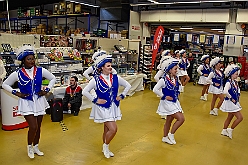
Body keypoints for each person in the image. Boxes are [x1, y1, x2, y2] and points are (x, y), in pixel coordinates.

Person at [2, 45, 56, 159]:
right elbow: (4, 84)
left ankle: (36, 146)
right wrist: (16, 93)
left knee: (39, 126)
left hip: (39, 101)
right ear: (23, 61)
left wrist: (46, 89)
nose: (32, 61)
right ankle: (29, 147)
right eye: (29, 59)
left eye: (33, 58)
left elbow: (53, 78)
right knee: (33, 126)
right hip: (26, 102)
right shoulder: (17, 73)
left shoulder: (41, 71)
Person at [82, 54, 131, 158]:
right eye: (108, 66)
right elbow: (85, 91)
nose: (110, 67)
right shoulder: (95, 79)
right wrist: (95, 100)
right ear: (102, 68)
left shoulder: (116, 77)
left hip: (113, 106)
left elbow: (128, 85)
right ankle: (106, 146)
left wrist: (122, 95)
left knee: (106, 129)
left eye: (110, 65)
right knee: (113, 129)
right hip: (102, 107)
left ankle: (106, 148)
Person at [153, 58, 185, 145]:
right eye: (175, 69)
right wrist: (163, 96)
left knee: (169, 120)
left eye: (177, 68)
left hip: (175, 102)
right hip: (167, 103)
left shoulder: (175, 79)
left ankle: (165, 137)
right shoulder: (163, 79)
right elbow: (155, 89)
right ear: (170, 70)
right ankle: (171, 134)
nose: (177, 70)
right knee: (181, 119)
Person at [220, 64, 243, 139]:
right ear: (231, 74)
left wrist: (238, 94)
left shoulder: (234, 82)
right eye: (236, 74)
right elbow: (225, 92)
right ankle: (230, 129)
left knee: (229, 117)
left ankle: (224, 130)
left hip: (234, 102)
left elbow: (237, 90)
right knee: (240, 118)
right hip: (230, 103)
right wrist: (231, 98)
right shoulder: (228, 82)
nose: (237, 76)